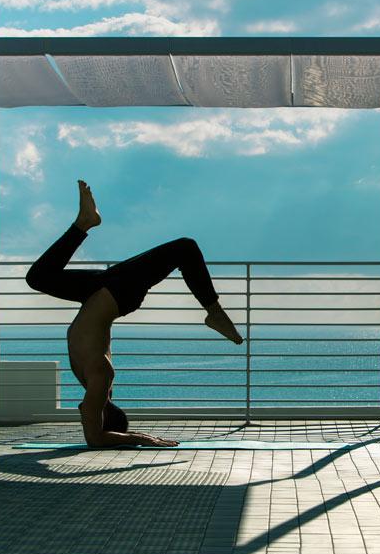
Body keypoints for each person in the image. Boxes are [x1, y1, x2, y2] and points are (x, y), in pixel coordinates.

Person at [25, 180, 243, 448]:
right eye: (92, 414)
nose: (85, 413)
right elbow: (94, 438)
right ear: (102, 411)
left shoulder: (93, 377)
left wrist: (104, 418)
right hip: (116, 292)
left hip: (99, 291)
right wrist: (137, 438)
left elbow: (90, 417)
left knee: (37, 278)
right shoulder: (101, 377)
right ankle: (214, 312)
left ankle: (84, 223)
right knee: (185, 248)